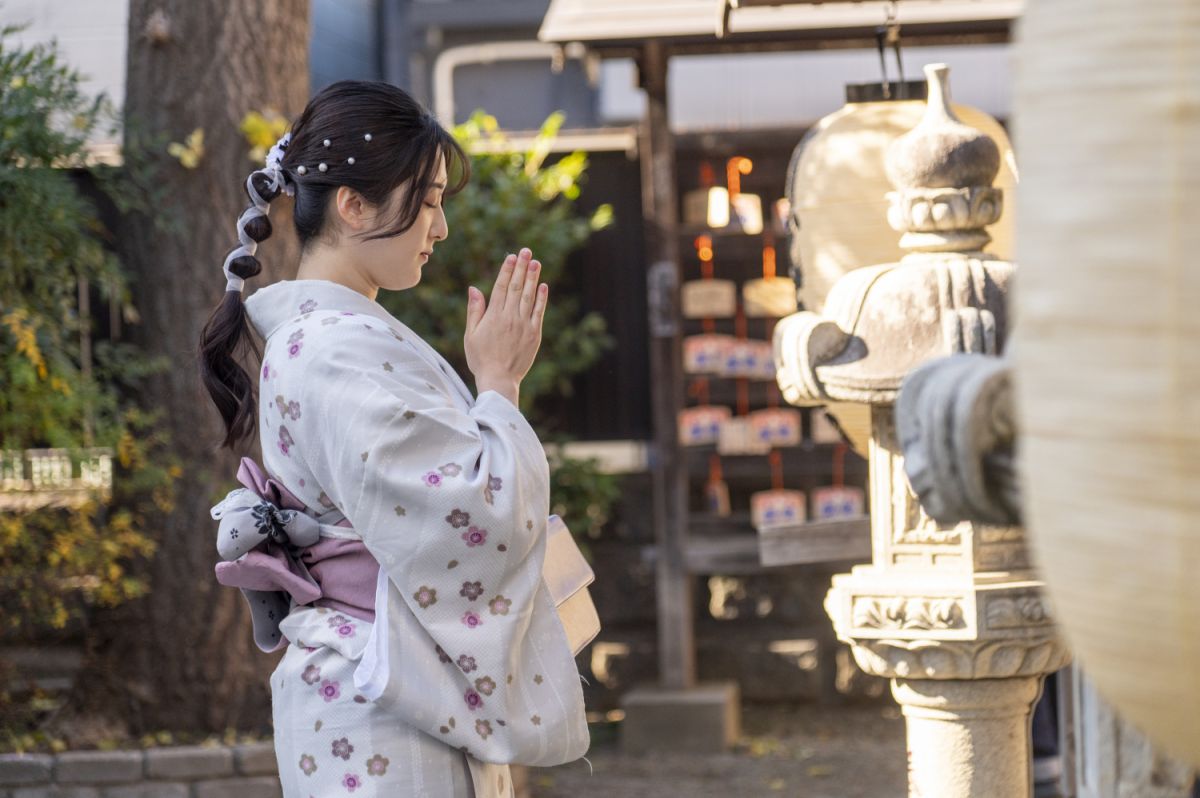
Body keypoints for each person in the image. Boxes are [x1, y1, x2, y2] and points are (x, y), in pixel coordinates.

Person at [197, 81, 589, 798]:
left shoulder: (331, 339)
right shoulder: (335, 347)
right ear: (353, 204)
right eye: (429, 200)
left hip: (377, 683)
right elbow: (474, 518)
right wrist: (498, 384)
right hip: (381, 697)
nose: (440, 228)